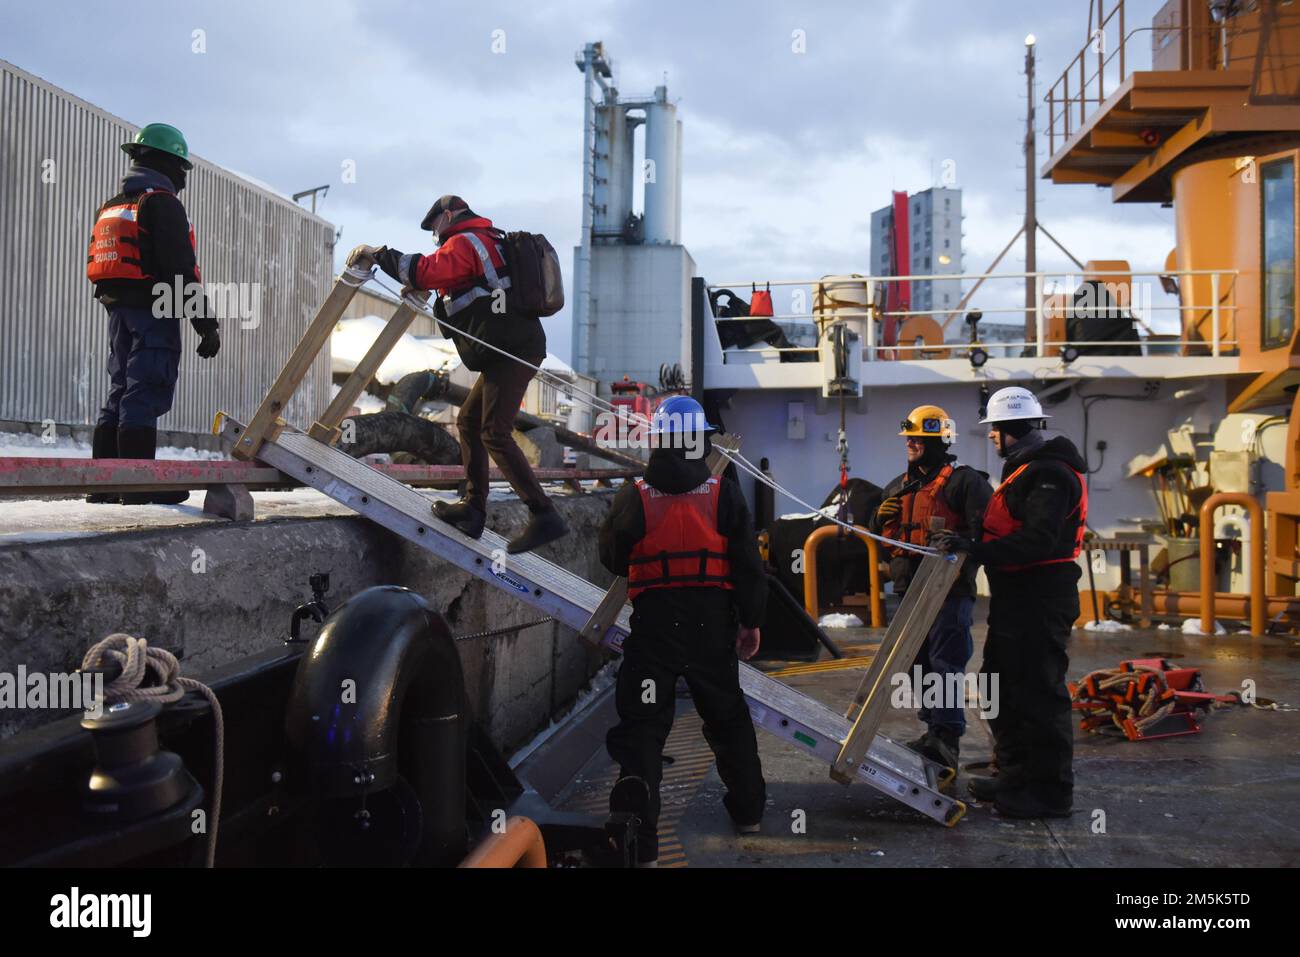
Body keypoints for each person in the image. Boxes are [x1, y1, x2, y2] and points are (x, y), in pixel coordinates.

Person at [598, 396, 767, 866]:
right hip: (712, 628)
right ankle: (749, 813)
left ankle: (642, 846)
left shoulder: (633, 495)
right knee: (728, 720)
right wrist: (750, 621)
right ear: (699, 440)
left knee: (644, 731)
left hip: (655, 630)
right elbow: (749, 566)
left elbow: (612, 558)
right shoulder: (721, 493)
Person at [351, 195, 566, 554]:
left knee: (494, 432)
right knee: (468, 421)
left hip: (511, 352)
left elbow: (422, 269)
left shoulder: (466, 242)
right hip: (511, 349)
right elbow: (469, 300)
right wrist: (433, 293)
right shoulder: (487, 241)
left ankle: (544, 515)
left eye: (435, 227)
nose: (435, 237)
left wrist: (377, 253)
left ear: (448, 215)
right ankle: (473, 509)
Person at [932, 386, 1087, 818]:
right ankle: (1015, 776)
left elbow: (1038, 541)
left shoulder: (1050, 474)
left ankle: (1050, 794)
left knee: (1039, 694)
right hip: (1016, 597)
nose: (991, 439)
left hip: (1040, 597)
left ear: (1007, 430)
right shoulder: (1028, 469)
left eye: (993, 431)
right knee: (1000, 686)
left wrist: (973, 549)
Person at [86, 123, 220, 505]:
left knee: (120, 389)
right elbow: (180, 269)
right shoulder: (162, 203)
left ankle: (105, 485)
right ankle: (138, 485)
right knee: (146, 388)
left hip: (117, 309)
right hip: (154, 307)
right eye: (182, 168)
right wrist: (205, 324)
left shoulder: (112, 205)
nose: (182, 177)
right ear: (168, 164)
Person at [869, 404, 990, 770]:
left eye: (917, 437)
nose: (909, 442)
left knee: (945, 663)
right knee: (917, 663)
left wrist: (962, 544)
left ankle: (948, 738)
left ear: (937, 439)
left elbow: (984, 534)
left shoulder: (966, 482)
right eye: (908, 436)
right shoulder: (900, 486)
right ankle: (933, 729)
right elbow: (882, 535)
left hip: (948, 592)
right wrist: (877, 520)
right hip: (910, 589)